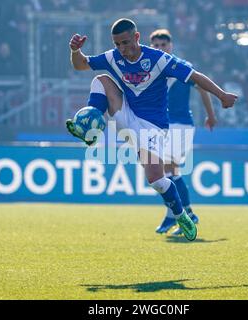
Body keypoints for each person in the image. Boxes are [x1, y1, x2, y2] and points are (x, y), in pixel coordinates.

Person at [67, 18, 237, 241]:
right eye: (117, 44)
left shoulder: (159, 60)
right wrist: (75, 51)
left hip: (153, 127)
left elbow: (195, 77)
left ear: (137, 37)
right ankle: (90, 126)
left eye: (126, 43)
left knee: (157, 179)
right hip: (127, 115)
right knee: (101, 79)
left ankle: (180, 215)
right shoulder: (113, 57)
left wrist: (222, 95)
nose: (122, 49)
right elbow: (81, 65)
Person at [149, 29, 217, 236]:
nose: (160, 49)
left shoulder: (181, 67)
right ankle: (174, 215)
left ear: (171, 46)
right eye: (156, 46)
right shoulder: (150, 69)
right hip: (162, 125)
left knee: (168, 168)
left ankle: (186, 213)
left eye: (163, 45)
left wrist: (210, 115)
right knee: (167, 173)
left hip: (180, 124)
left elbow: (202, 89)